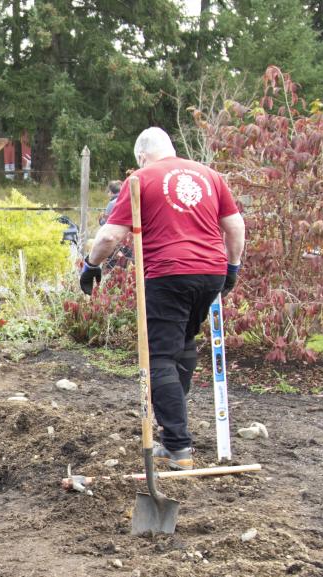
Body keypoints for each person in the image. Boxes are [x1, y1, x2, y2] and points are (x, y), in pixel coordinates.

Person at [81, 127, 245, 471]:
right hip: (210, 273)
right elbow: (235, 226)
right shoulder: (210, 176)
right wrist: (232, 267)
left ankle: (178, 447)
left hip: (168, 273)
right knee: (184, 343)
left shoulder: (141, 178)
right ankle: (174, 425)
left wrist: (91, 265)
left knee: (158, 357)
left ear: (141, 156)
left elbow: (110, 235)